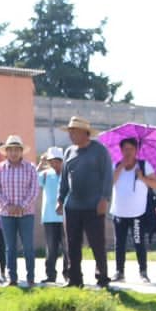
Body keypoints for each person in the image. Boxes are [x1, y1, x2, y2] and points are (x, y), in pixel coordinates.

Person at [57, 117, 113, 289]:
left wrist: (105, 199)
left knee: (97, 244)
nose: (71, 135)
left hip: (94, 206)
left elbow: (107, 177)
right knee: (72, 244)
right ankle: (74, 279)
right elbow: (64, 179)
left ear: (85, 133)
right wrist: (60, 199)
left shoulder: (100, 150)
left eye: (74, 131)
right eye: (70, 131)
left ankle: (102, 278)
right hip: (72, 206)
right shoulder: (68, 152)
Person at [108, 136, 156, 283]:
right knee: (119, 243)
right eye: (125, 149)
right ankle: (119, 272)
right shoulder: (115, 165)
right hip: (119, 212)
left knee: (139, 242)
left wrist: (142, 177)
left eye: (131, 149)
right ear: (121, 150)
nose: (128, 152)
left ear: (136, 150)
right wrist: (120, 167)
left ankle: (143, 272)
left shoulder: (144, 166)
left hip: (138, 213)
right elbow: (108, 184)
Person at [0, 135, 40, 287]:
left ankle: (31, 277)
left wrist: (22, 206)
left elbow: (34, 190)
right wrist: (8, 205)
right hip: (6, 214)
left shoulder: (30, 168)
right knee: (10, 246)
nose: (13, 153)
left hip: (26, 213)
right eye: (10, 150)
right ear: (6, 152)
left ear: (21, 151)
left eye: (16, 150)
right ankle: (12, 278)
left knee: (28, 246)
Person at [38, 147, 65, 284]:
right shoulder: (45, 174)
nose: (54, 164)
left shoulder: (67, 174)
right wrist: (40, 164)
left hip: (65, 217)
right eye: (51, 162)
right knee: (51, 248)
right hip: (49, 216)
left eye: (57, 161)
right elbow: (34, 181)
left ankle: (68, 274)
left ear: (61, 161)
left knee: (67, 248)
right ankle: (50, 275)